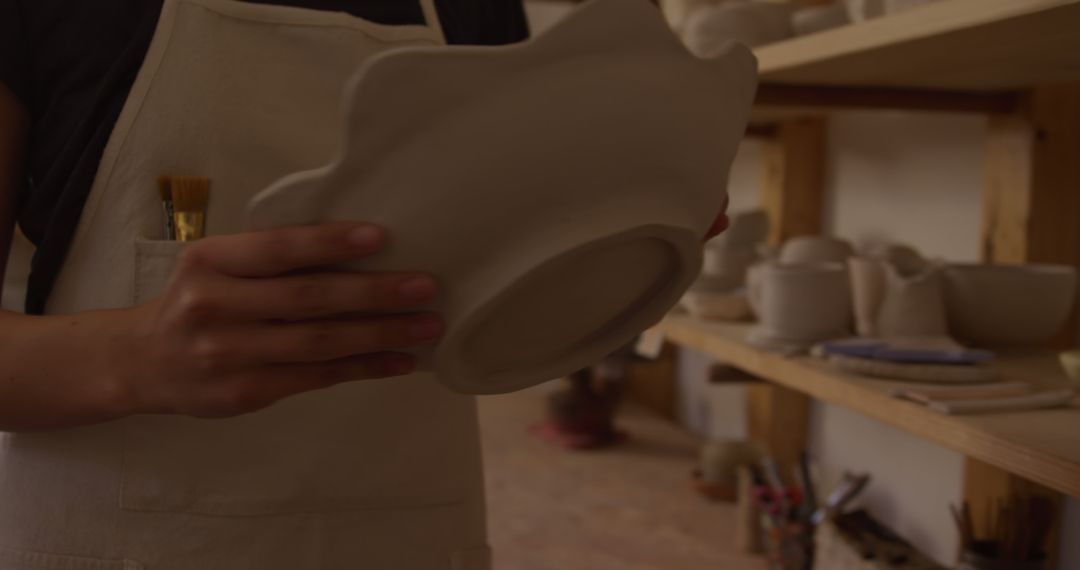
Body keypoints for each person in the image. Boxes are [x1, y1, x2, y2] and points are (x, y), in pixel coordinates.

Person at [0, 1, 730, 568]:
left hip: (414, 542)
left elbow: (490, 287)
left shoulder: (472, 10)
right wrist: (135, 355)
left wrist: (601, 248)